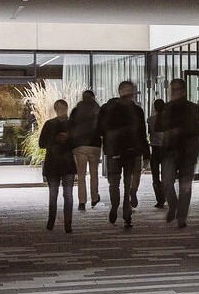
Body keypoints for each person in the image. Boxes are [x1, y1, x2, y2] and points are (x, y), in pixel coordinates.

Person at [155, 78, 199, 229]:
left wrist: (181, 131)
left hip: (188, 153)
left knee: (185, 186)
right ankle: (173, 205)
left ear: (183, 91)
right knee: (167, 183)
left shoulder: (193, 108)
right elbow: (158, 126)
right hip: (170, 151)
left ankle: (181, 217)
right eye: (172, 89)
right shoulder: (167, 108)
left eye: (178, 89)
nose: (175, 92)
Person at [100, 81, 148, 228]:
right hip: (117, 151)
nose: (129, 94)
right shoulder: (111, 109)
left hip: (128, 151)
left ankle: (126, 214)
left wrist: (146, 153)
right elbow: (101, 129)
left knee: (125, 184)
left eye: (130, 90)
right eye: (127, 91)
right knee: (115, 183)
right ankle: (116, 206)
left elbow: (142, 133)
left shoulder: (136, 111)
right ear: (120, 91)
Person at [39, 99, 76, 233]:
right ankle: (52, 221)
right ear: (56, 110)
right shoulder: (50, 124)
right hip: (55, 163)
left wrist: (68, 138)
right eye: (59, 109)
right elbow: (41, 143)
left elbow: (78, 142)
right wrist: (56, 139)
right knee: (54, 194)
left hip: (65, 163)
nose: (61, 111)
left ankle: (67, 223)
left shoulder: (71, 124)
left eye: (63, 108)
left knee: (67, 195)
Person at [69, 90, 103, 211]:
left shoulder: (76, 111)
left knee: (81, 174)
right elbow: (102, 128)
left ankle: (82, 202)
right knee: (94, 173)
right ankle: (94, 198)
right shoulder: (98, 110)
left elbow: (70, 127)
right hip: (95, 145)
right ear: (93, 97)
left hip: (79, 145)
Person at [148, 98, 169, 209]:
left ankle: (159, 199)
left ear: (155, 108)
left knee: (155, 176)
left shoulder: (150, 120)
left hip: (155, 150)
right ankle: (165, 195)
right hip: (166, 150)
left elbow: (149, 134)